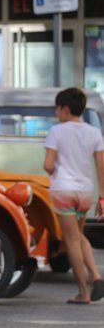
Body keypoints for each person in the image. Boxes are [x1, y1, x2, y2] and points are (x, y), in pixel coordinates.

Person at [43, 88, 104, 304]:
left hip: (63, 190)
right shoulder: (94, 132)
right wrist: (102, 197)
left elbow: (48, 165)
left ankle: (83, 293)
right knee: (79, 236)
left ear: (65, 109)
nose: (56, 113)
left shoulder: (57, 131)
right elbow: (100, 166)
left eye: (57, 108)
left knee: (71, 241)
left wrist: (52, 169)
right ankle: (95, 275)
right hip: (85, 192)